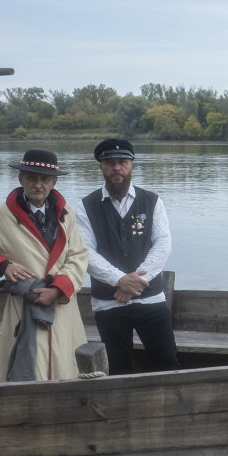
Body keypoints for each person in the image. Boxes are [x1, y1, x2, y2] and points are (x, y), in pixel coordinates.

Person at [0, 148, 88, 382]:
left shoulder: (67, 213)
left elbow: (78, 255)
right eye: (31, 178)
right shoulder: (0, 216)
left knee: (66, 366)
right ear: (20, 178)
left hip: (62, 306)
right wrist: (3, 266)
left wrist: (57, 289)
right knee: (29, 372)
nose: (38, 184)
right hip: (24, 306)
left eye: (45, 179)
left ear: (54, 182)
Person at [75, 138, 180, 374]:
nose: (116, 168)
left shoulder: (152, 201)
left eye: (122, 162)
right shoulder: (85, 206)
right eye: (110, 163)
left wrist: (134, 283)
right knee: (115, 368)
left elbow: (163, 244)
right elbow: (85, 251)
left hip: (151, 299)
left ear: (132, 165)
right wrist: (119, 280)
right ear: (101, 167)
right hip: (108, 301)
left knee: (166, 362)